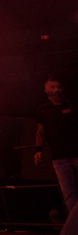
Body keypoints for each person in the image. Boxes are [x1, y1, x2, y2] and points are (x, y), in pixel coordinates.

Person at [35, 76, 78, 215]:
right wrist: (38, 150)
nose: (56, 90)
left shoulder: (73, 106)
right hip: (59, 157)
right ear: (46, 90)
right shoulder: (44, 109)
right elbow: (41, 131)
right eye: (52, 87)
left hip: (77, 152)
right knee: (69, 194)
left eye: (58, 86)